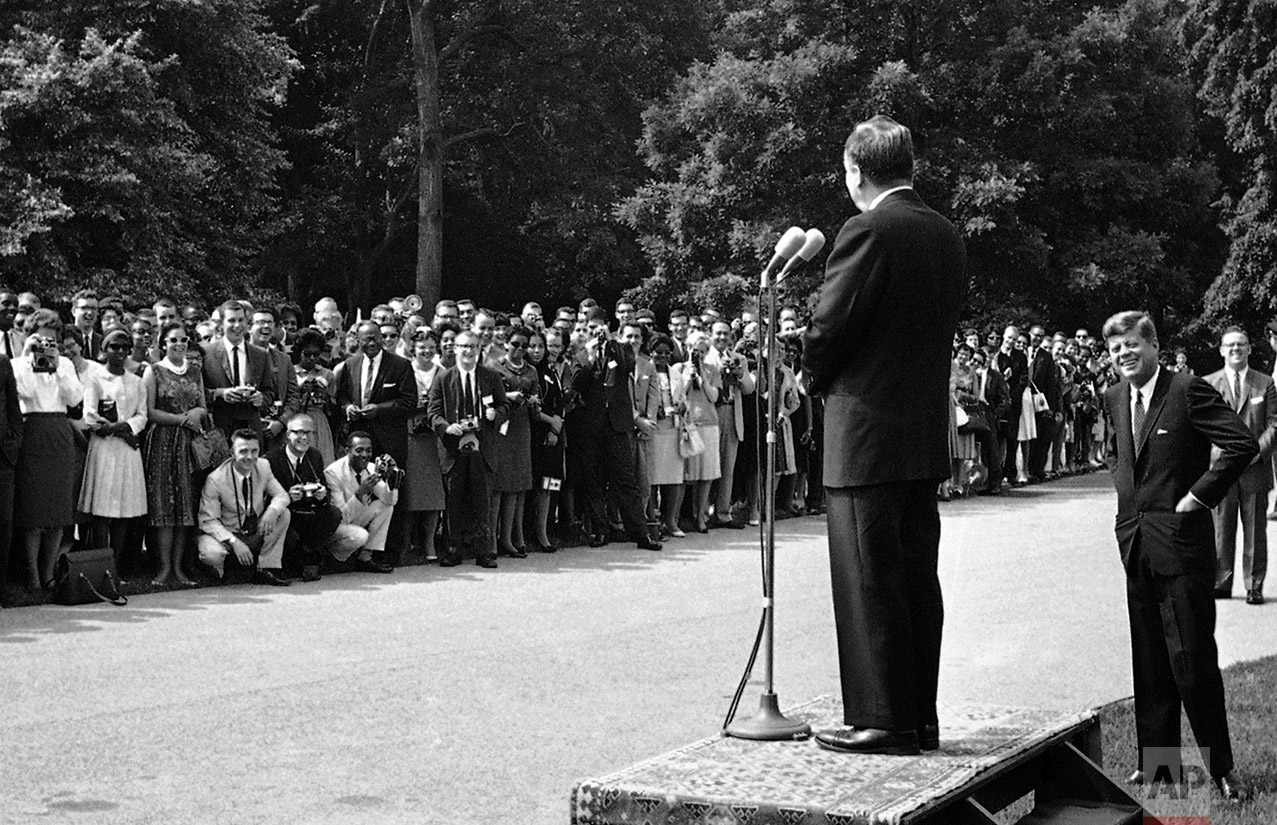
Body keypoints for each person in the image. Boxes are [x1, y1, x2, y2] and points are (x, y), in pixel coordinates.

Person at [802, 115, 966, 755]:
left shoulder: (867, 228)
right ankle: (918, 717)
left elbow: (829, 328)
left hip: (865, 435)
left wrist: (810, 372)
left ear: (855, 171)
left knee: (870, 581)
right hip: (920, 435)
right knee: (916, 581)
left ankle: (882, 719)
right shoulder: (945, 233)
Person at [1101, 310, 1251, 800]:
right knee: (1149, 660)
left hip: (1183, 549)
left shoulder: (1186, 390)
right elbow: (1117, 455)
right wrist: (1128, 502)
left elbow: (1239, 443)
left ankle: (1220, 769)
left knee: (1192, 659)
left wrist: (1197, 497)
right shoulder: (1115, 397)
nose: (1122, 354)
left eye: (1130, 346)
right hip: (1137, 545)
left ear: (1154, 347)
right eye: (1114, 348)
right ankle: (1160, 766)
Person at [1202, 327, 1277, 605]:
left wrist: (1256, 451)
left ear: (1249, 349)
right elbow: (1203, 426)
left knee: (1255, 531)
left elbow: (1274, 424)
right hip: (1221, 468)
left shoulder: (1264, 383)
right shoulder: (1208, 383)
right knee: (1221, 528)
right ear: (1221, 350)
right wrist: (1220, 455)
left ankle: (1253, 584)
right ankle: (1221, 582)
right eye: (1230, 345)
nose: (1236, 349)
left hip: (1255, 467)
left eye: (1241, 344)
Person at [13, 309, 84, 591]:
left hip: (58, 430)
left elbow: (75, 398)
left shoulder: (65, 363)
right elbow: (26, 392)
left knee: (57, 511)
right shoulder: (18, 364)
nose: (46, 344)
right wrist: (31, 360)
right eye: (40, 339)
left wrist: (56, 367)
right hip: (32, 429)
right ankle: (31, 575)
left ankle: (49, 572)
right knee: (33, 511)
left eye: (51, 339)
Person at [427, 329, 508, 568]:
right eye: (463, 346)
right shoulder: (443, 378)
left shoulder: (491, 377)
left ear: (479, 349)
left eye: (473, 346)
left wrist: (497, 414)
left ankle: (485, 551)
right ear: (454, 349)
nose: (468, 351)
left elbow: (505, 405)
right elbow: (432, 413)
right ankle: (453, 550)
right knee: (454, 502)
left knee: (482, 501)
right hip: (454, 450)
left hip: (482, 450)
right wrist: (445, 427)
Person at [141, 320, 206, 587]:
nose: (179, 345)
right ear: (163, 344)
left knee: (185, 506)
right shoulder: (154, 371)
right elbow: (150, 411)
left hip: (189, 443)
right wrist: (180, 419)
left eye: (183, 340)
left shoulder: (195, 370)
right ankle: (163, 568)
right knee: (164, 504)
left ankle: (179, 569)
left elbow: (203, 406)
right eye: (173, 340)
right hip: (164, 441)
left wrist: (195, 414)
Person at [78, 329, 149, 575]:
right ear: (104, 349)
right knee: (102, 511)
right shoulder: (95, 379)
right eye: (114, 347)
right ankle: (101, 568)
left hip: (128, 451)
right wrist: (118, 431)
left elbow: (142, 415)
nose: (119, 352)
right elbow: (90, 414)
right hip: (105, 449)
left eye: (124, 347)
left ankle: (116, 569)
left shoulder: (137, 381)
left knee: (122, 511)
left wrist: (124, 428)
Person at [267, 415, 367, 581]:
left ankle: (308, 553)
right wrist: (287, 496)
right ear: (287, 435)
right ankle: (293, 562)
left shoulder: (314, 455)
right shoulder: (271, 459)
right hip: (285, 516)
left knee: (333, 513)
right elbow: (264, 498)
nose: (304, 437)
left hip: (308, 515)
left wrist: (321, 495)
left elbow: (325, 490)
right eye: (299, 432)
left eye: (309, 433)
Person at [196, 428, 292, 586]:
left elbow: (282, 496)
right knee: (212, 554)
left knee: (283, 513)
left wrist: (271, 512)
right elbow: (208, 521)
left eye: (254, 451)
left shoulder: (263, 466)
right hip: (226, 535)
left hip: (253, 530)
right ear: (232, 453)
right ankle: (219, 570)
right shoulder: (216, 479)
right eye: (243, 451)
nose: (250, 457)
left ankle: (266, 568)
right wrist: (234, 541)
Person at [324, 432, 399, 573]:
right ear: (347, 451)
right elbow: (340, 517)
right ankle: (334, 559)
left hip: (354, 519)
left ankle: (365, 557)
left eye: (368, 450)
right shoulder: (332, 473)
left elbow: (390, 501)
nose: (364, 455)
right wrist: (360, 492)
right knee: (360, 535)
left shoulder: (371, 468)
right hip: (336, 525)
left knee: (386, 507)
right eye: (359, 450)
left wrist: (391, 479)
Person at [492, 327, 538, 558]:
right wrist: (506, 396)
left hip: (521, 428)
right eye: (515, 344)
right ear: (506, 343)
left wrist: (532, 401)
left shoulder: (531, 370)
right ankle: (491, 540)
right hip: (501, 429)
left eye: (524, 346)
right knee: (499, 485)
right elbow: (486, 397)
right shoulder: (494, 367)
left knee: (517, 485)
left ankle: (509, 538)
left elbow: (537, 404)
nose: (519, 350)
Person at [401, 328, 446, 561]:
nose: (426, 351)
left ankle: (429, 544)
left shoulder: (443, 372)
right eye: (421, 347)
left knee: (433, 495)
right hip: (410, 435)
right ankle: (406, 544)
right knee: (411, 492)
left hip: (434, 438)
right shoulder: (405, 369)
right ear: (413, 349)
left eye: (431, 347)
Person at [202, 300, 273, 439]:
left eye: (241, 320)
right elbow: (198, 391)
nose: (237, 325)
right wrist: (220, 394)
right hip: (219, 428)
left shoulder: (260, 354)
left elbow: (269, 392)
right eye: (231, 320)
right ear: (222, 324)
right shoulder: (207, 353)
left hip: (251, 428)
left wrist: (261, 399)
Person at [676, 331, 721, 533]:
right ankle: (675, 518)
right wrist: (688, 377)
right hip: (688, 423)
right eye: (696, 351)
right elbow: (678, 395)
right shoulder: (679, 368)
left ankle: (701, 516)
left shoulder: (712, 369)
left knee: (707, 474)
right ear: (688, 349)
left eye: (703, 351)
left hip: (709, 423)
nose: (699, 355)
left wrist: (702, 377)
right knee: (685, 475)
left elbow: (714, 397)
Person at [293, 328, 339, 465]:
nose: (312, 358)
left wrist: (325, 394)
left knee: (323, 460)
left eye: (316, 354)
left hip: (319, 421)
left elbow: (333, 408)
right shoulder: (291, 372)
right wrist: (300, 390)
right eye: (307, 354)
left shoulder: (327, 374)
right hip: (298, 418)